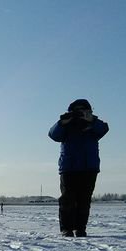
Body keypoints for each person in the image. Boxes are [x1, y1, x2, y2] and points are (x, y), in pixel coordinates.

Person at [48, 99, 109, 237]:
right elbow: (53, 135)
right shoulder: (66, 125)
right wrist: (62, 122)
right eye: (77, 111)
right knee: (67, 199)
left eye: (84, 110)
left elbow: (104, 129)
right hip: (69, 167)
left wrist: (91, 120)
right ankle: (66, 229)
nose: (80, 113)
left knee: (84, 200)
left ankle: (80, 228)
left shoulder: (94, 125)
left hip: (89, 167)